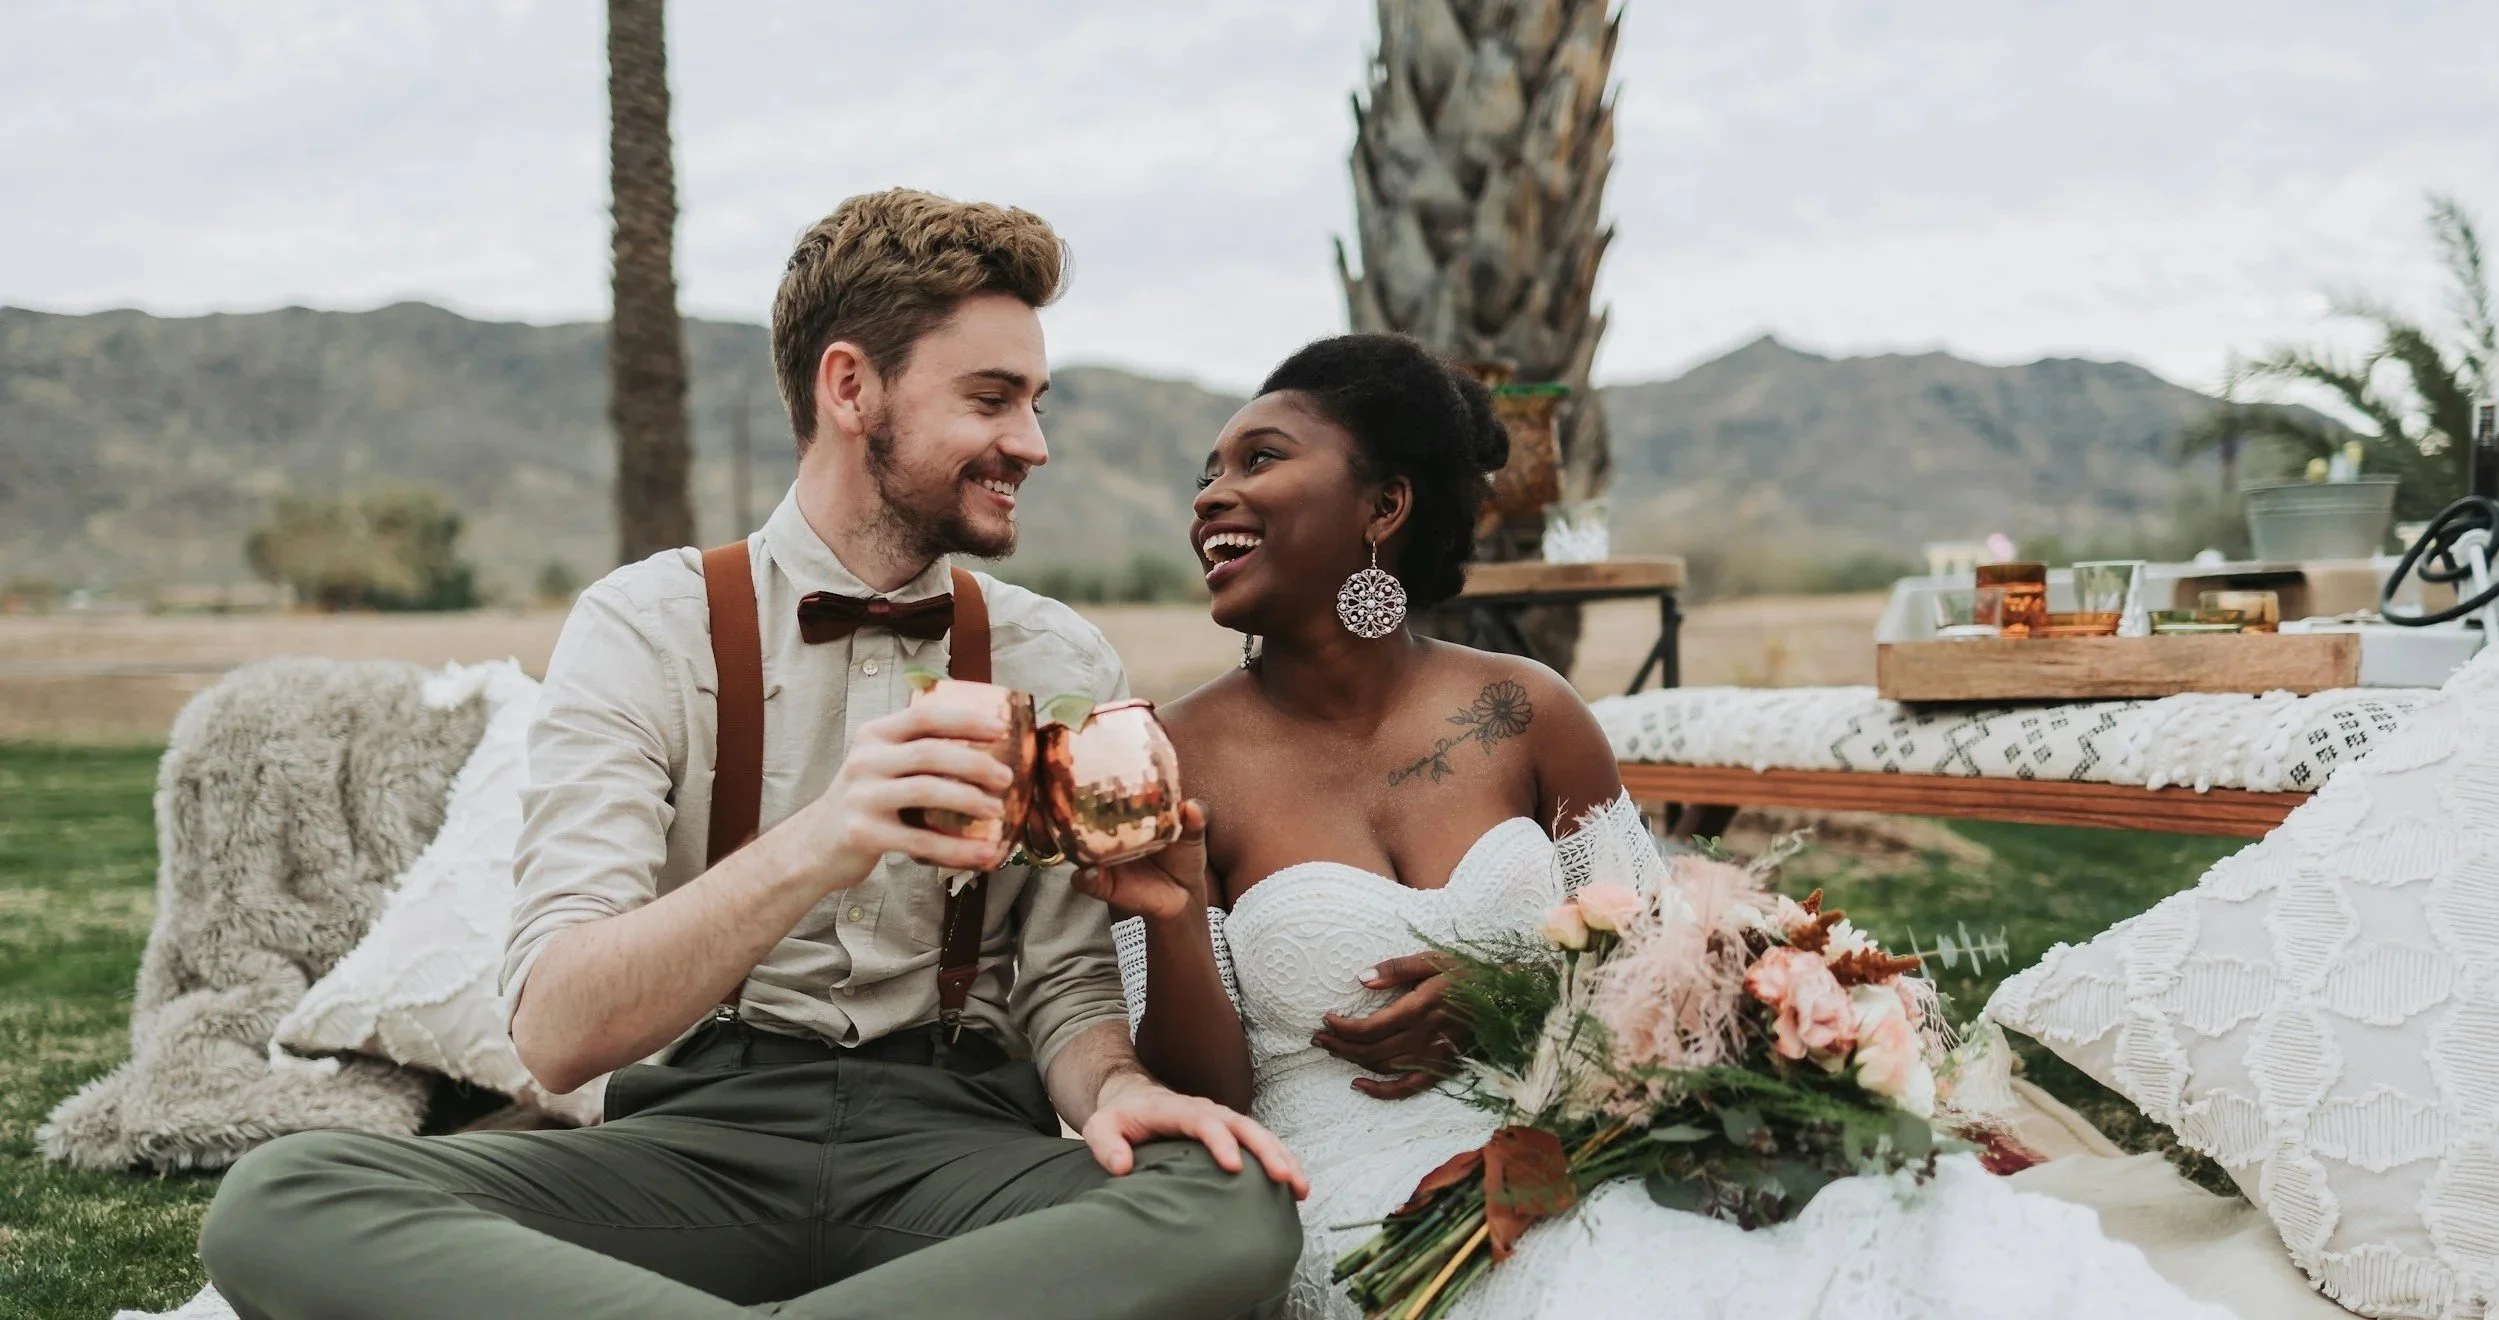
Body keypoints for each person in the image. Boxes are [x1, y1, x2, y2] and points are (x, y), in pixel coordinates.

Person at [198, 190, 1304, 1320]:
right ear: (848, 388)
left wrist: (1116, 1088)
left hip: (955, 1165)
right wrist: (821, 841)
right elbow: (559, 1033)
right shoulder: (642, 627)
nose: (1033, 441)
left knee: (1227, 1203)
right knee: (288, 1193)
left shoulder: (1058, 652)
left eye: (1036, 400)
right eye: (992, 398)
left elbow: (1069, 993)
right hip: (688, 1159)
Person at [1090, 333, 2232, 1320]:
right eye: (1207, 473)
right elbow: (1205, 1097)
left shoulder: (1525, 710)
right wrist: (1177, 901)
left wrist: (1508, 991)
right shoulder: (1166, 753)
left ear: (1383, 506)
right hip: (1357, 1194)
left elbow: (1656, 963)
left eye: (1259, 459)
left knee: (1863, 1242)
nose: (1209, 495)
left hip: (1588, 1135)